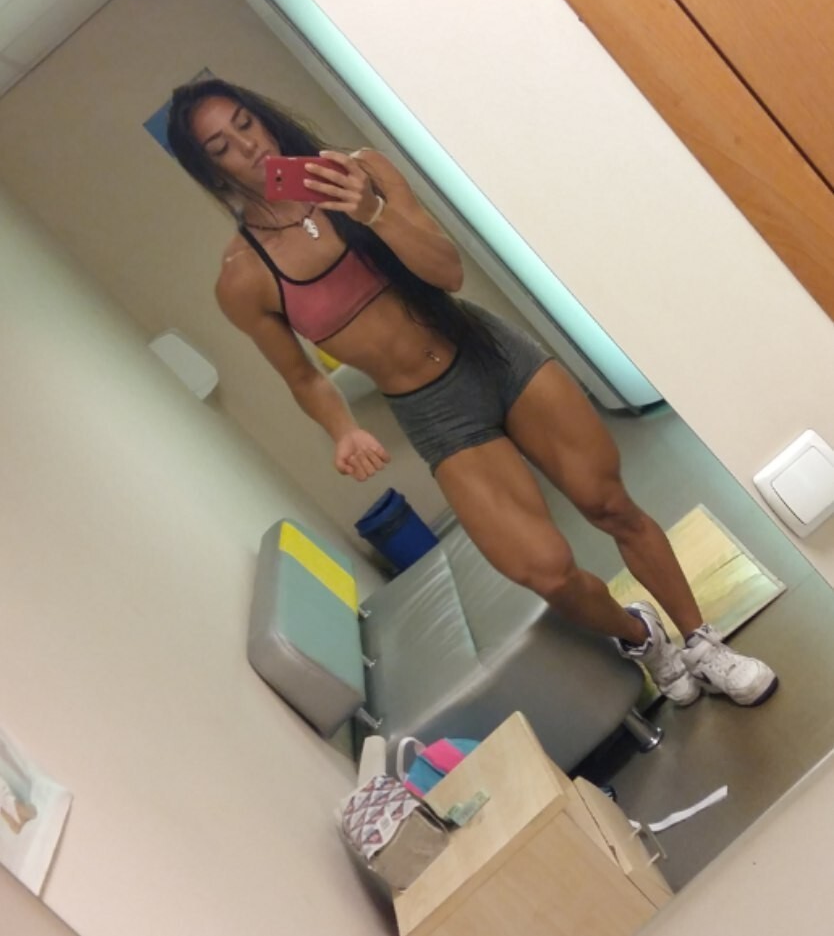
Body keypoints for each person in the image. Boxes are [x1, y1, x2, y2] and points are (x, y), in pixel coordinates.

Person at [167, 78, 778, 709]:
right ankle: (640, 636)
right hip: (435, 414)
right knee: (544, 571)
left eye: (245, 122)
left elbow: (448, 271)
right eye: (221, 146)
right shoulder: (242, 278)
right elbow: (303, 377)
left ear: (263, 116)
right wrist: (342, 430)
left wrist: (371, 211)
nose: (247, 145)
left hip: (489, 355)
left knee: (610, 504)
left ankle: (704, 645)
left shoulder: (361, 171)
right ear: (210, 171)